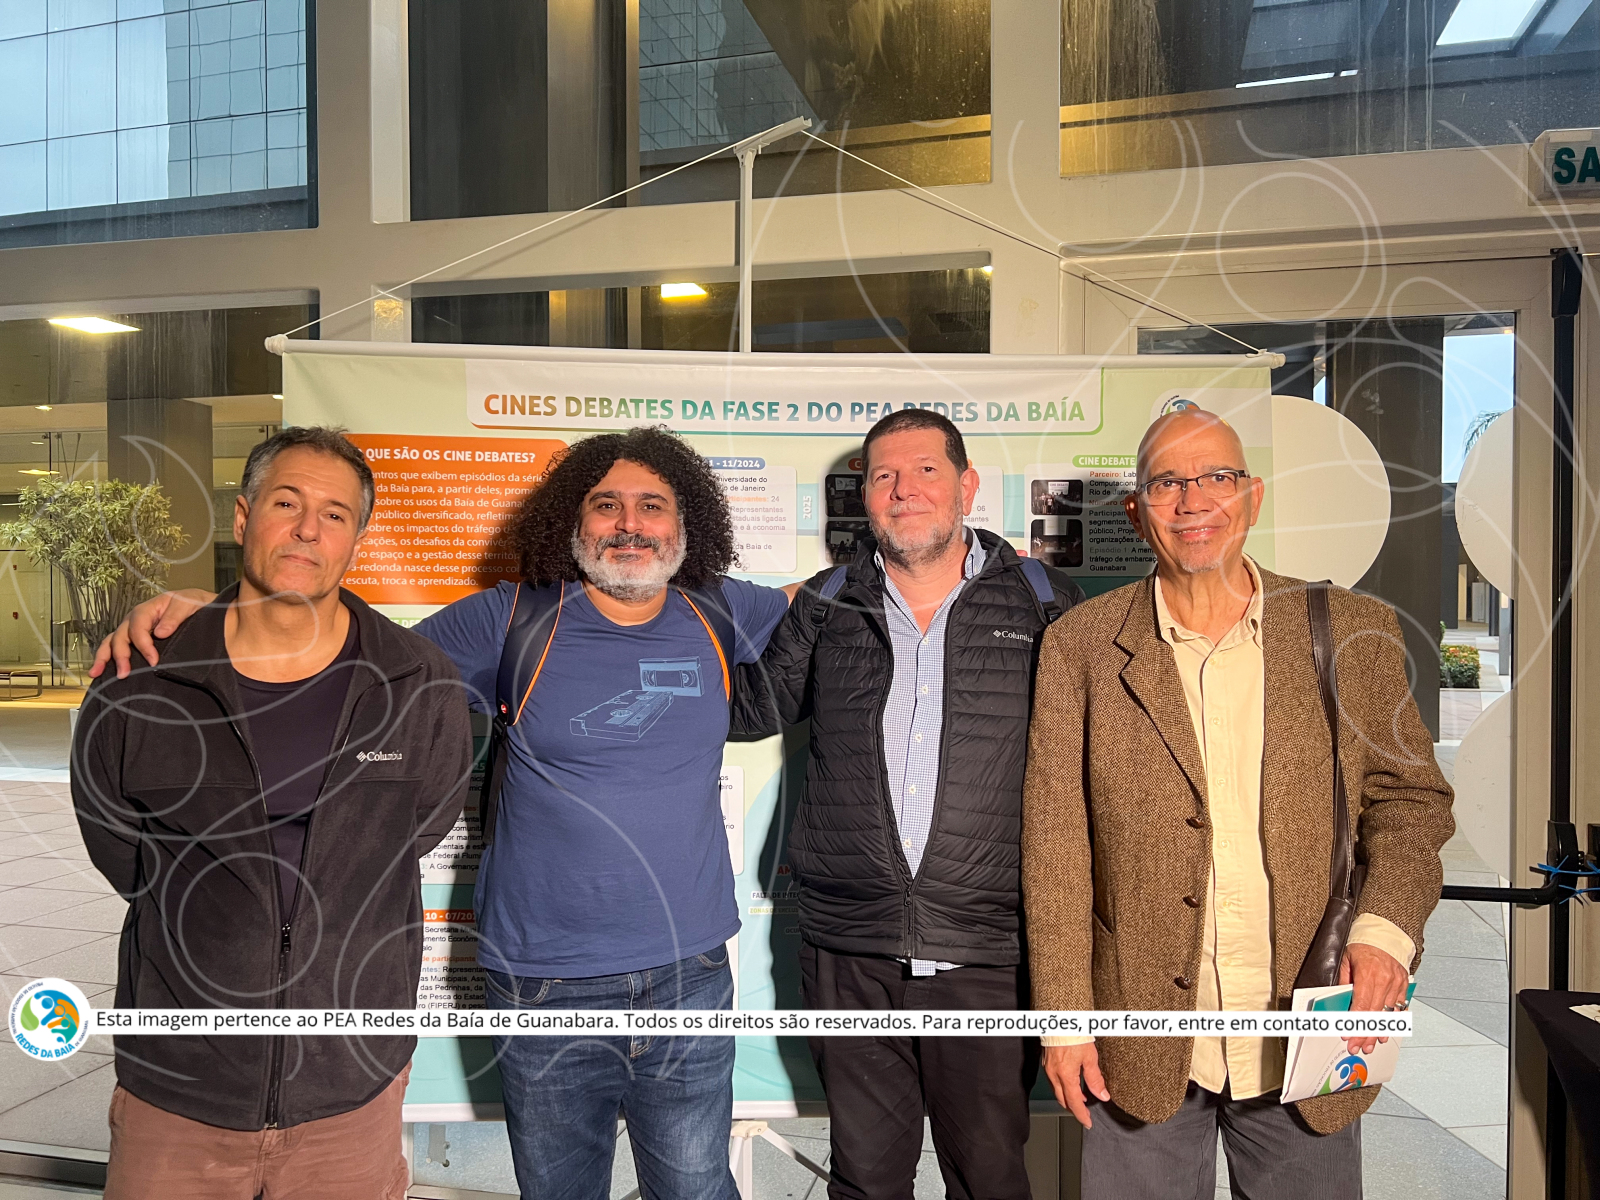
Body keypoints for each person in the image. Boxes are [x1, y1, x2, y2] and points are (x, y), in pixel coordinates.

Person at [94, 426, 793, 1200]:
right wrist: (211, 612)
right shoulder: (511, 618)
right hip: (542, 979)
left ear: (686, 523)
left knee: (697, 1187)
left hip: (691, 973)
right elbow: (347, 657)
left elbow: (819, 602)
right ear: (573, 518)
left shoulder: (720, 610)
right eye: (606, 504)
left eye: (652, 505)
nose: (630, 524)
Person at [1022, 408, 1454, 1199]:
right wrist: (1065, 1018)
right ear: (1136, 512)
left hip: (1307, 1030)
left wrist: (1384, 934)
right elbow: (1055, 850)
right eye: (1167, 483)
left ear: (1252, 497)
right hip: (1138, 1042)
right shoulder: (1079, 647)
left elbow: (1411, 803)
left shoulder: (1351, 631)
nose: (1194, 501)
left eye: (1217, 477)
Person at [73, 426, 473, 1200]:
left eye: (335, 514)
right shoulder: (142, 681)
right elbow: (121, 852)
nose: (307, 529)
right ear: (244, 516)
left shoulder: (418, 683)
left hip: (349, 1091)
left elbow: (418, 829)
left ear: (356, 540)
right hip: (179, 1090)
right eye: (287, 503)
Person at [728, 408, 1084, 1200]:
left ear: (967, 486)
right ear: (864, 498)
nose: (903, 489)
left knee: (989, 1178)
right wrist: (648, 614)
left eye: (925, 470)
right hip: (848, 949)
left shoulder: (1043, 599)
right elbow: (748, 711)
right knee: (865, 1180)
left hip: (988, 952)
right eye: (884, 475)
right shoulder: (827, 602)